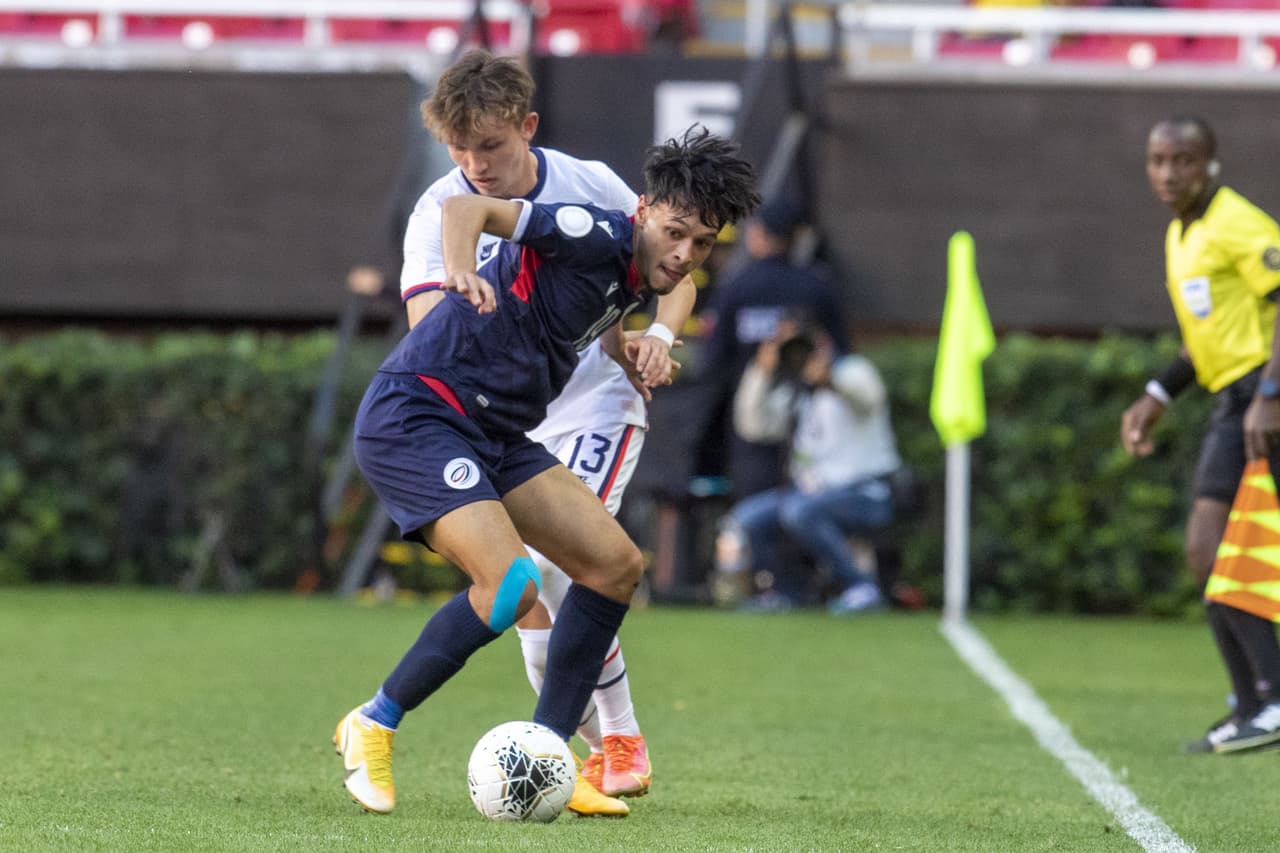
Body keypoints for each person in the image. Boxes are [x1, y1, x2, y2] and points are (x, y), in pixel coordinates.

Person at [333, 124, 759, 815]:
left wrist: (632, 346)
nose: (685, 255)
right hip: (419, 416)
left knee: (614, 564)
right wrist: (462, 266)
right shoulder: (590, 230)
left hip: (494, 430)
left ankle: (552, 755)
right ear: (644, 209)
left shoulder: (631, 274)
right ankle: (372, 721)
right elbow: (464, 208)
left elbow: (593, 307)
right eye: (677, 232)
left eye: (703, 243)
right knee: (511, 584)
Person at [393, 50, 703, 810]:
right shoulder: (437, 211)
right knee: (526, 587)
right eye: (460, 150)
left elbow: (675, 269)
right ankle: (593, 750)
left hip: (596, 400)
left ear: (527, 128)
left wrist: (657, 337)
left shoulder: (589, 184)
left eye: (491, 145)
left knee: (559, 567)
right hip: (509, 419)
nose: (475, 164)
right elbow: (430, 334)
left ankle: (608, 742)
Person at [1120, 116, 1280, 754]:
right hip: (1232, 398)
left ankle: (1271, 698)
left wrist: (1269, 396)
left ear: (1209, 163)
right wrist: (1157, 394)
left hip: (1262, 396)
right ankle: (1250, 703)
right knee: (1206, 553)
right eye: (1158, 160)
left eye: (1182, 160)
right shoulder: (1181, 234)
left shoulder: (1237, 222)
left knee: (1231, 551)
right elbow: (1205, 337)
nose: (1168, 173)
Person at [720, 319, 901, 614]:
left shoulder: (854, 370)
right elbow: (753, 426)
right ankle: (785, 593)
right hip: (810, 497)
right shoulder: (796, 391)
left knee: (800, 511)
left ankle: (861, 587)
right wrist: (761, 371)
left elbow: (869, 400)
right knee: (749, 517)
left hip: (866, 493)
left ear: (823, 343)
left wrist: (830, 380)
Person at [696, 196, 850, 500]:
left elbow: (711, 361)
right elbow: (843, 354)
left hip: (748, 424)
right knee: (804, 506)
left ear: (758, 233)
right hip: (810, 423)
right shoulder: (817, 286)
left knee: (753, 511)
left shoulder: (735, 287)